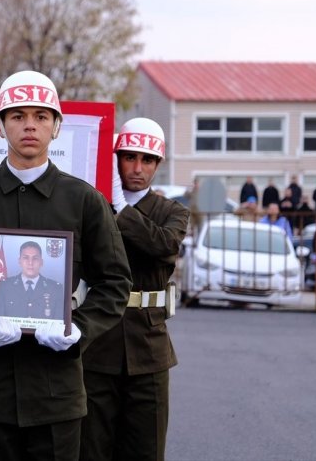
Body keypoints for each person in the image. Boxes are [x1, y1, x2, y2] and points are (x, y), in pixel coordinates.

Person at [0, 70, 132, 460]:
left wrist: (79, 329)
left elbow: (115, 284)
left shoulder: (84, 201)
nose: (29, 125)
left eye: (41, 116)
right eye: (17, 116)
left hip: (57, 392)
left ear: (56, 127)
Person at [80, 118, 190, 461]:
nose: (137, 168)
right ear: (115, 159)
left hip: (149, 344)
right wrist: (107, 203)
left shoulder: (173, 211)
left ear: (158, 164)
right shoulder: (91, 205)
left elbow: (163, 244)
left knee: (146, 448)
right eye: (129, 157)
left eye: (147, 160)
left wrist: (122, 208)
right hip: (98, 340)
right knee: (92, 447)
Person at [0, 240, 64, 319]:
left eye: (35, 258)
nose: (30, 262)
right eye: (25, 258)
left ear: (41, 262)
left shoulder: (55, 289)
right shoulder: (5, 286)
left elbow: (58, 322)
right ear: (19, 261)